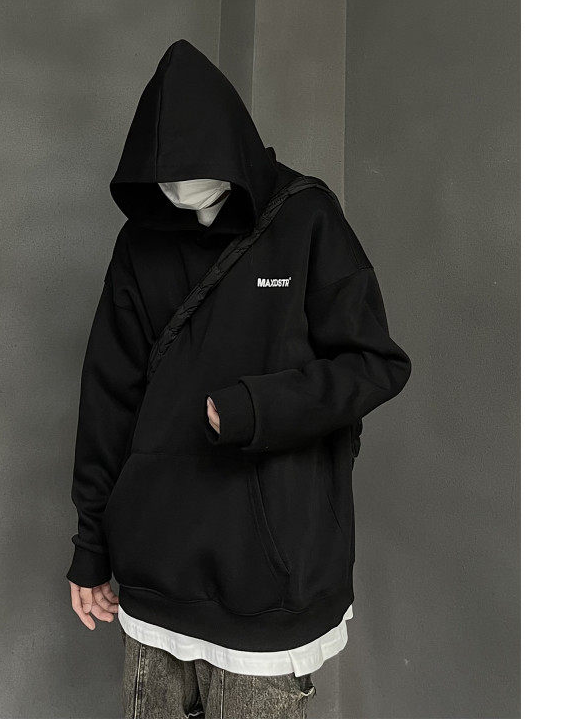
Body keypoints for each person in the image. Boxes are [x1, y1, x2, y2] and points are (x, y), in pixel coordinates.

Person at [66, 40, 411, 719]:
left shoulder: (306, 219)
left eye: (191, 169)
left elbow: (376, 363)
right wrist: (91, 547)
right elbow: (108, 394)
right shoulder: (141, 241)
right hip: (155, 578)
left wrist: (258, 408)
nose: (177, 187)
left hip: (270, 583)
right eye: (164, 174)